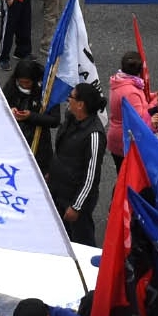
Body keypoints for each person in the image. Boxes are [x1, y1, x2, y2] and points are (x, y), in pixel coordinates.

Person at [47, 83, 105, 246]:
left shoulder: (94, 135)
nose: (68, 99)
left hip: (75, 199)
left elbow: (91, 176)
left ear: (81, 104)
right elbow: (61, 150)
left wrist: (76, 206)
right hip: (59, 190)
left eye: (71, 96)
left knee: (81, 243)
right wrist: (52, 172)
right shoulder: (70, 117)